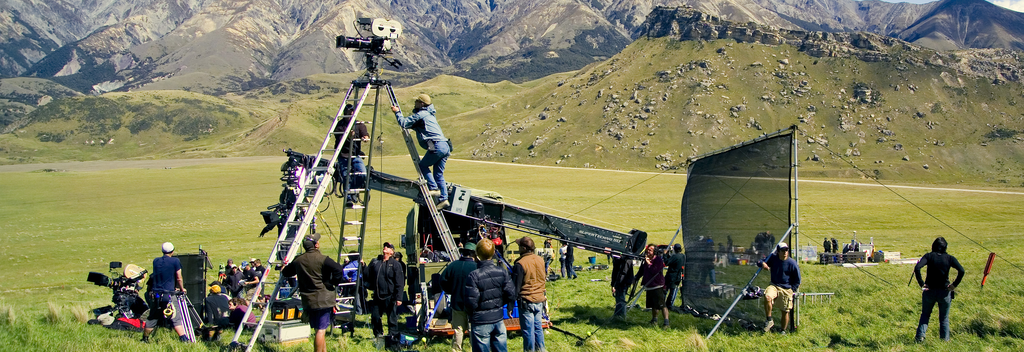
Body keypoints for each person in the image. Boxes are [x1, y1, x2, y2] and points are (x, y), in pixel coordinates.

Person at [281, 233, 345, 352]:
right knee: (321, 331)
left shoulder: (298, 260)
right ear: (316, 245)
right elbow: (338, 269)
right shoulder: (322, 259)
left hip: (308, 300)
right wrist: (333, 282)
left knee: (317, 329)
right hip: (323, 299)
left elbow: (286, 273)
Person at [392, 94, 451, 209]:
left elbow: (404, 123)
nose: (415, 103)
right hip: (445, 146)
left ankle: (433, 188)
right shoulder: (430, 115)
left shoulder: (421, 114)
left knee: (423, 166)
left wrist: (397, 112)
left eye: (416, 101)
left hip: (437, 145)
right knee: (438, 174)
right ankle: (444, 199)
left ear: (422, 104)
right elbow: (416, 126)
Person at [466, 238, 516, 352]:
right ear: (494, 253)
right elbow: (511, 293)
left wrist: (472, 314)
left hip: (480, 320)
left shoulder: (473, 276)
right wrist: (501, 304)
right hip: (498, 318)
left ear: (477, 254)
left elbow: (471, 302)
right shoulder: (502, 272)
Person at [914, 237, 965, 342]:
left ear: (933, 246)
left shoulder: (928, 256)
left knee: (925, 314)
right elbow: (962, 271)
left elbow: (917, 268)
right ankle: (944, 340)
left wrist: (922, 284)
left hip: (929, 290)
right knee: (944, 318)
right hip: (944, 291)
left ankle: (920, 337)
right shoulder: (950, 258)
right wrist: (954, 285)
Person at [142, 242, 188, 343]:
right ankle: (184, 339)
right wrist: (181, 288)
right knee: (175, 316)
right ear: (173, 251)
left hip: (156, 295)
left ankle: (145, 338)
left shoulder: (156, 261)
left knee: (152, 317)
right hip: (169, 295)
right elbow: (179, 277)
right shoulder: (175, 261)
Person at [440, 242, 478, 352]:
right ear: (473, 254)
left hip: (457, 302)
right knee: (473, 329)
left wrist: (450, 291)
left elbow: (442, 280)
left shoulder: (453, 266)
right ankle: (473, 349)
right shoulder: (476, 267)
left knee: (458, 329)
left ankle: (456, 349)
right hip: (473, 304)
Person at [364, 242, 405, 342]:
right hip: (378, 295)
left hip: (390, 296)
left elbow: (400, 282)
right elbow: (367, 275)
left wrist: (399, 297)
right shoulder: (376, 262)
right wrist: (363, 265)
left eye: (388, 247)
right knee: (375, 316)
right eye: (384, 246)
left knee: (392, 317)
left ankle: (393, 336)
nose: (385, 248)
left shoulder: (396, 264)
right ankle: (378, 335)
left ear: (392, 252)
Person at [512, 237, 546, 352]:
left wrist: (511, 305)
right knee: (538, 329)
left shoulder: (520, 263)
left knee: (528, 331)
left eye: (519, 246)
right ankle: (541, 349)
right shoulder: (541, 260)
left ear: (523, 248)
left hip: (527, 300)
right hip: (539, 299)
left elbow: (515, 287)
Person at [758, 242, 801, 333]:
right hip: (774, 285)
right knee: (767, 296)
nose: (785, 252)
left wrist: (791, 290)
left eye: (786, 250)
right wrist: (763, 264)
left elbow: (798, 279)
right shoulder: (773, 258)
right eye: (782, 250)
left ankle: (783, 331)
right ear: (778, 251)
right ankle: (769, 320)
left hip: (786, 288)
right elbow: (759, 261)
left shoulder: (792, 263)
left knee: (785, 311)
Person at [333, 104, 371, 207]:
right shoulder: (339, 125)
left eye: (351, 112)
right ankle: (348, 198)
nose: (349, 115)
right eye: (347, 113)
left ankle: (354, 189)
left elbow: (365, 134)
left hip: (355, 155)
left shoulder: (359, 124)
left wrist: (365, 138)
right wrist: (347, 135)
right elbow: (338, 137)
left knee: (363, 173)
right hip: (343, 154)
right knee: (346, 176)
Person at [636, 244, 669, 328]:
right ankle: (654, 320)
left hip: (658, 285)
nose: (648, 251)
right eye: (648, 249)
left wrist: (648, 263)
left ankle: (666, 322)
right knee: (653, 305)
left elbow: (654, 271)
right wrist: (635, 278)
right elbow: (641, 271)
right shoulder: (645, 260)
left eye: (651, 250)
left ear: (655, 251)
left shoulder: (658, 260)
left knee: (662, 304)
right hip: (649, 285)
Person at [610, 255, 634, 320]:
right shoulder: (619, 258)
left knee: (621, 298)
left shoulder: (626, 259)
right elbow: (615, 271)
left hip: (623, 281)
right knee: (619, 297)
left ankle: (621, 316)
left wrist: (615, 285)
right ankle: (617, 314)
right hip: (620, 281)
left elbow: (623, 273)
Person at [664, 243, 686, 310]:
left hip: (671, 275)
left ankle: (664, 303)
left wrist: (665, 255)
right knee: (673, 291)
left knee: (665, 290)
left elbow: (667, 263)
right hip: (678, 276)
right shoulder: (683, 256)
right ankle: (669, 304)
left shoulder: (675, 256)